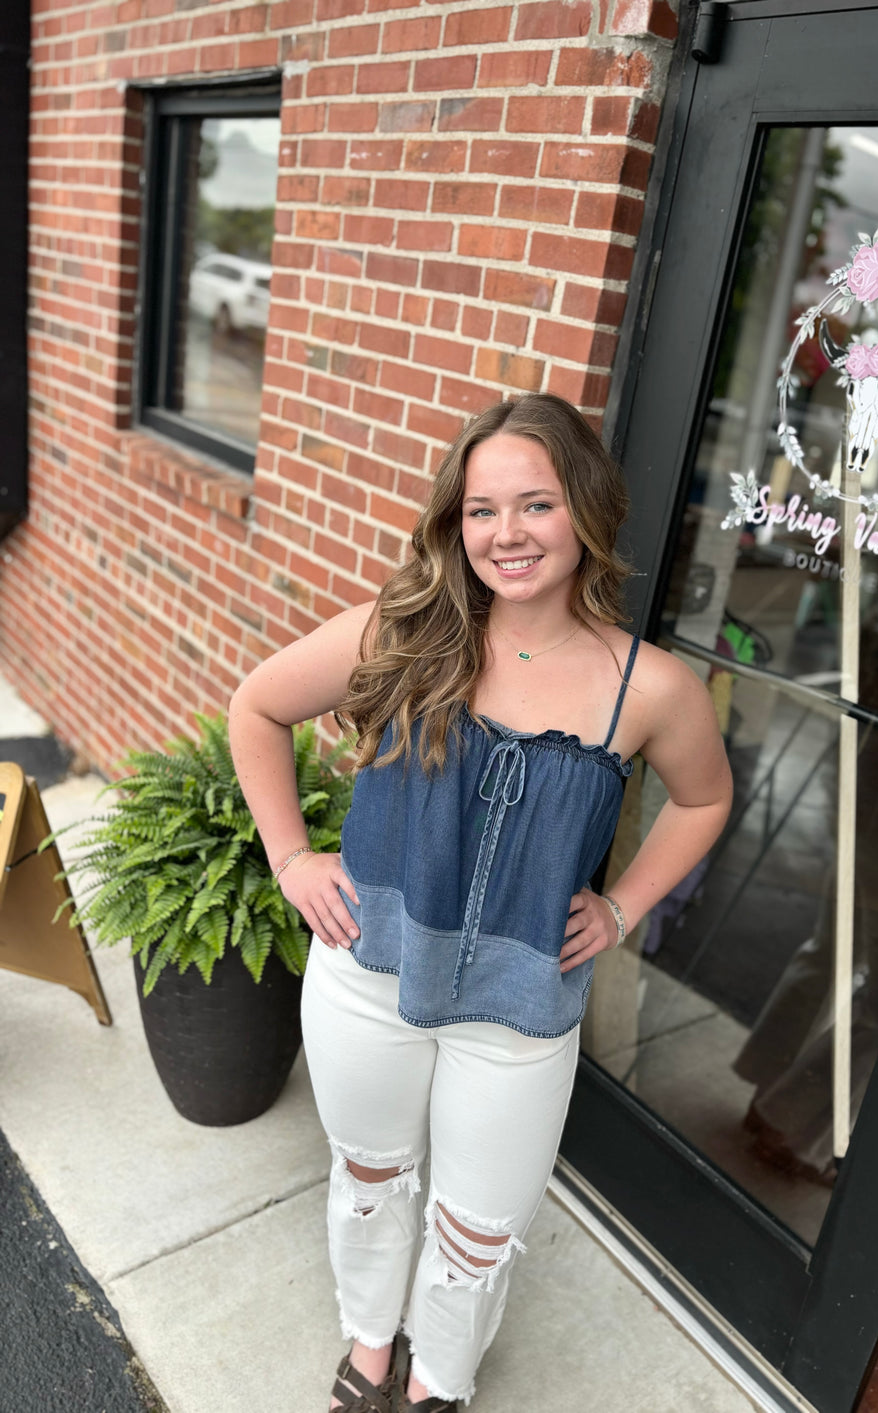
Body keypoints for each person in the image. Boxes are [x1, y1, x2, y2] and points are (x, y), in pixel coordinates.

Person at [228, 393, 732, 1413]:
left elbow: (706, 797)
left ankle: (438, 1384)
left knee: (479, 1227)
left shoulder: (649, 687)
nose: (506, 534)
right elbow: (258, 706)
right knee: (370, 1187)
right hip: (368, 977)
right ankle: (370, 1350)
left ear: (585, 510)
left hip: (519, 1009)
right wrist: (291, 857)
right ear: (454, 523)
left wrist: (623, 907)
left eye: (535, 504)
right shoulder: (401, 633)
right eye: (480, 509)